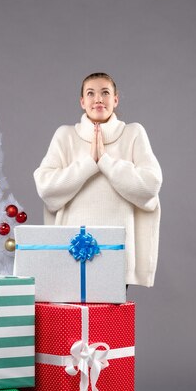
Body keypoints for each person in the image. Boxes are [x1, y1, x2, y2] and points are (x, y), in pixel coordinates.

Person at [33, 73, 162, 287]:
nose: (98, 99)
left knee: (108, 319)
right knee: (73, 318)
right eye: (90, 93)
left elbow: (150, 185)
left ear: (115, 99)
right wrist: (88, 164)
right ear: (82, 102)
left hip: (118, 252)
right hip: (71, 249)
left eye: (105, 93)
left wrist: (105, 161)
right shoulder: (65, 136)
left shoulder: (133, 133)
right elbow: (46, 187)